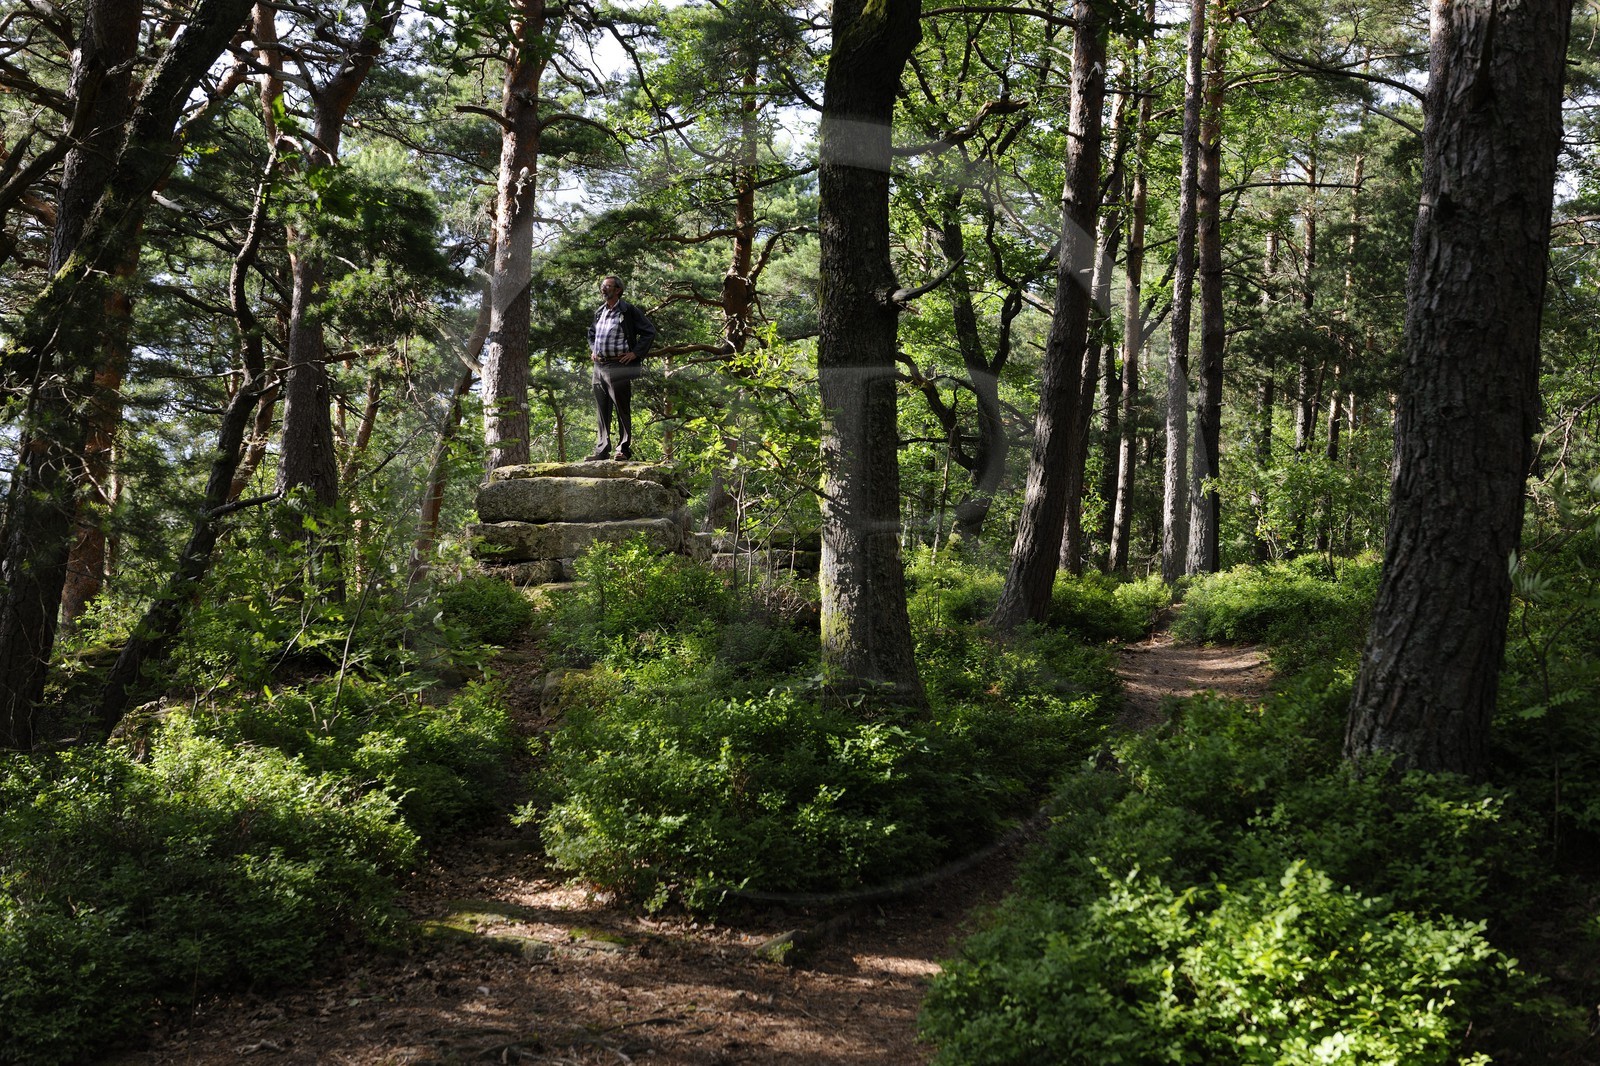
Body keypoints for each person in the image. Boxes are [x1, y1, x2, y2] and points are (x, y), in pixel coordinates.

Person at [585, 274, 656, 461]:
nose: (603, 289)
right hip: (599, 365)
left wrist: (635, 353)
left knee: (621, 407)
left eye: (607, 286)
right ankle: (602, 449)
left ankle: (623, 449)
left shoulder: (628, 311)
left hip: (619, 364)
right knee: (602, 409)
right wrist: (593, 349)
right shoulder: (600, 311)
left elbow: (649, 332)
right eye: (602, 286)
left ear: (618, 290)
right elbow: (591, 334)